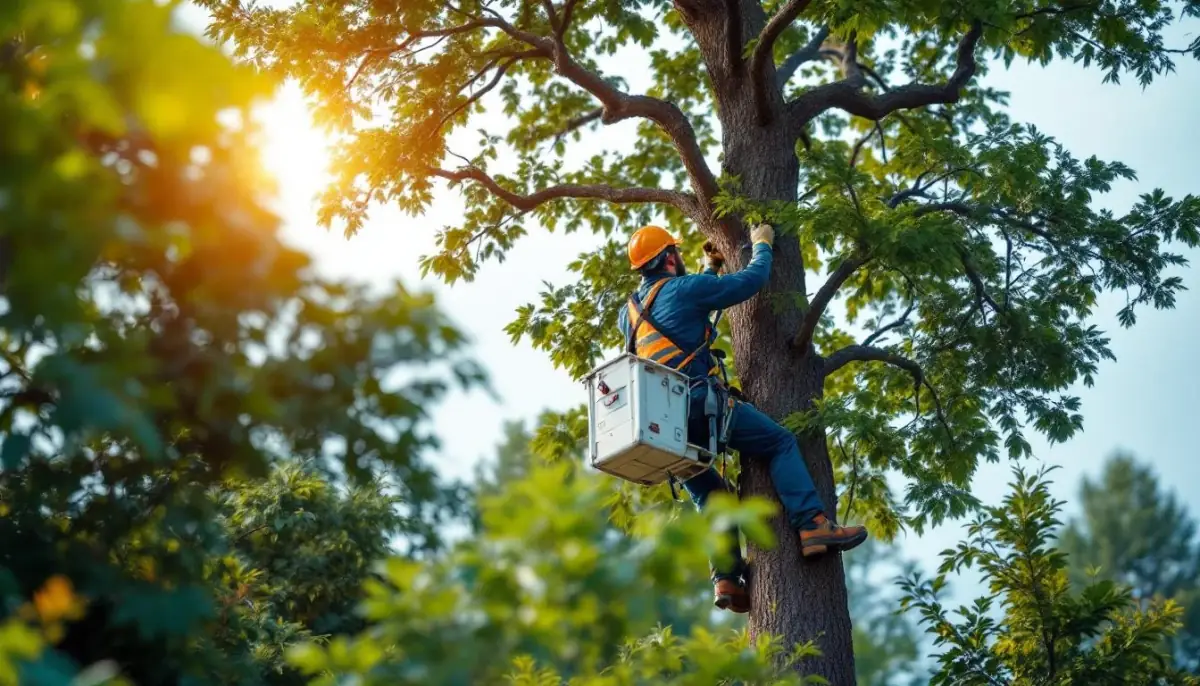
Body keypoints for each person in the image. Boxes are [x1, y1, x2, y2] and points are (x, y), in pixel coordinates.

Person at [617, 223, 868, 614]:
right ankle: (813, 525)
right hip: (699, 407)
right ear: (668, 258)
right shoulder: (684, 290)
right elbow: (750, 282)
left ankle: (727, 579)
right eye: (676, 253)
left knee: (712, 495)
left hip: (665, 429)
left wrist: (711, 267)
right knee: (779, 442)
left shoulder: (629, 312)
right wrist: (762, 245)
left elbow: (681, 314)